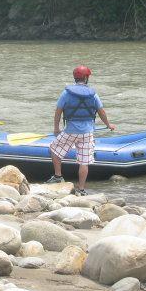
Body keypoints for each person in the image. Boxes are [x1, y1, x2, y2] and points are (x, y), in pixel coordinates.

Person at [46, 65, 115, 196]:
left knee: (54, 149)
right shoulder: (93, 95)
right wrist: (108, 124)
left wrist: (56, 128)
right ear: (86, 78)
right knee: (84, 162)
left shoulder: (66, 93)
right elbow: (101, 112)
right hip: (87, 133)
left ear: (75, 77)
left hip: (70, 131)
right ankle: (81, 190)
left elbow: (58, 112)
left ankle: (58, 176)